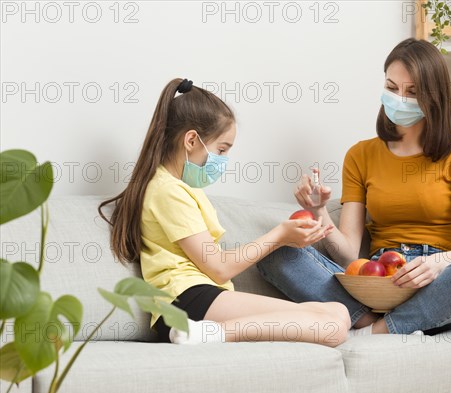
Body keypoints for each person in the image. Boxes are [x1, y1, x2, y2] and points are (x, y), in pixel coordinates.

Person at [257, 38, 451, 337]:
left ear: (434, 97)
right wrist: (319, 210)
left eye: (412, 92)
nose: (400, 99)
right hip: (377, 282)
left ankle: (379, 330)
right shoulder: (361, 155)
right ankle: (382, 323)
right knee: (275, 250)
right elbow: (348, 254)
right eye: (391, 88)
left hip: (439, 281)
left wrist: (437, 263)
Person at [98, 78, 350, 346]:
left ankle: (206, 333)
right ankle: (205, 334)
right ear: (192, 140)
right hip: (185, 303)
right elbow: (219, 268)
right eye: (221, 150)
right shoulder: (166, 191)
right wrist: (280, 236)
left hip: (199, 298)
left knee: (339, 313)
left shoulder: (183, 187)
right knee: (332, 326)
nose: (223, 161)